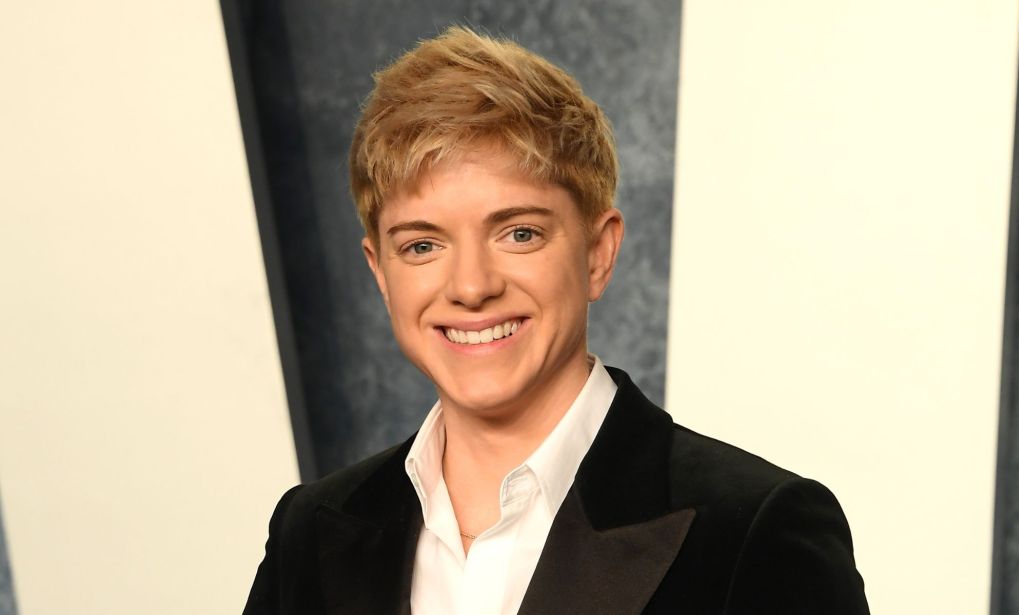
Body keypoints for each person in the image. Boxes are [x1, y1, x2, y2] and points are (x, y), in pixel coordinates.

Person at [243, 26, 869, 615]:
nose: (471, 287)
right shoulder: (308, 535)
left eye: (519, 233)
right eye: (422, 245)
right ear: (380, 271)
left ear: (599, 253)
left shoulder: (756, 531)